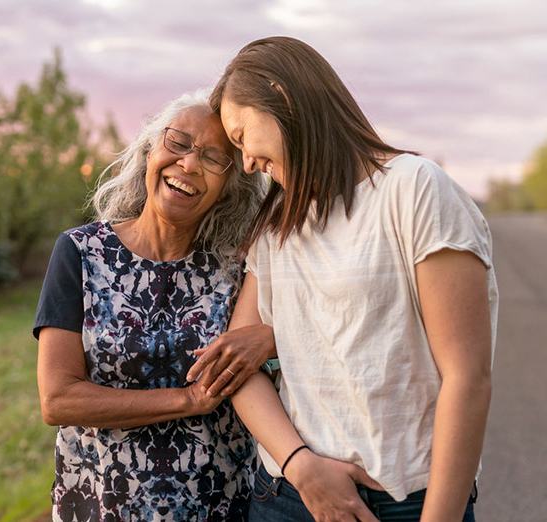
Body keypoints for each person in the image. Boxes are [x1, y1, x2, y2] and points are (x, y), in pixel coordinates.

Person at [189, 36, 498, 522]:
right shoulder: (277, 225)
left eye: (242, 134)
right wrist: (300, 466)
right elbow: (235, 366)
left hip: (407, 501)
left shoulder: (415, 190)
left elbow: (468, 378)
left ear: (281, 96)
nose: (246, 161)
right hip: (289, 496)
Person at [33, 90, 269, 522]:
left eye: (215, 159)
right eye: (178, 143)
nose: (190, 164)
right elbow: (59, 399)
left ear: (230, 187)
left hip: (220, 505)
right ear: (150, 151)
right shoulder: (80, 252)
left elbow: (295, 334)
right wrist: (186, 399)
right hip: (103, 504)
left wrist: (270, 338)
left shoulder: (241, 267)